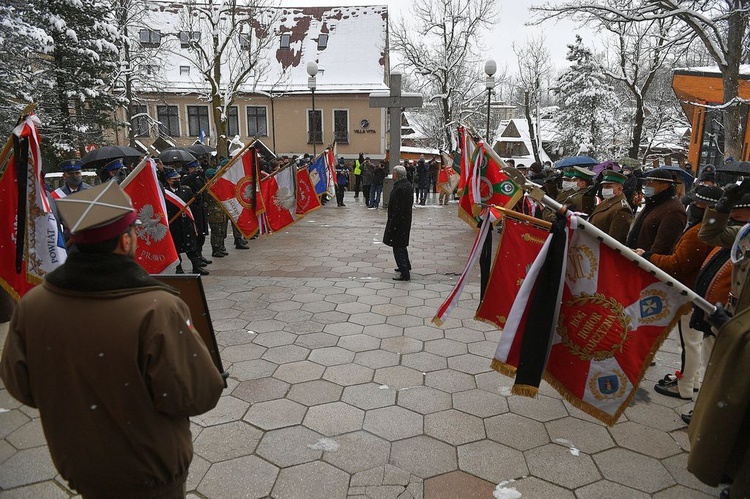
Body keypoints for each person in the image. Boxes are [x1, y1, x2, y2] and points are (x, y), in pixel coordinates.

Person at [0, 182, 224, 498]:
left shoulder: (32, 305)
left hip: (81, 466)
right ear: (125, 241)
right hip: (150, 471)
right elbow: (195, 396)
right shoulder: (157, 308)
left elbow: (20, 385)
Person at [689, 180, 750, 499]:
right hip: (736, 334)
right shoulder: (746, 234)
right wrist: (722, 207)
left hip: (742, 336)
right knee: (732, 415)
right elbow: (708, 235)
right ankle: (731, 472)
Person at [635, 185, 723, 401]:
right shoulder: (708, 228)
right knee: (693, 340)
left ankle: (684, 385)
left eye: (698, 203)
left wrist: (649, 256)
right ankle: (691, 381)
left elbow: (678, 264)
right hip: (696, 291)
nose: (693, 206)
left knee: (688, 341)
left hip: (688, 292)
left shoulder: (700, 232)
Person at [626, 168, 687, 254]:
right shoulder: (653, 202)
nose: (647, 186)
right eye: (646, 182)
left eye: (651, 183)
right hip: (635, 257)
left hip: (645, 264)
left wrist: (647, 257)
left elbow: (663, 247)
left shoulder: (674, 211)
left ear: (664, 186)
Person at [165, 170, 209, 275]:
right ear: (168, 181)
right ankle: (178, 268)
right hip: (174, 224)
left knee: (191, 247)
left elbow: (194, 206)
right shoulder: (165, 193)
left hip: (186, 224)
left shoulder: (186, 190)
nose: (177, 180)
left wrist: (198, 199)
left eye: (178, 178)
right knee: (176, 248)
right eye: (174, 179)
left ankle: (196, 267)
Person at [384, 165, 413, 281]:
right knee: (402, 245)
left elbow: (398, 208)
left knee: (398, 247)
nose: (392, 176)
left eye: (394, 174)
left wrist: (392, 224)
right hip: (404, 221)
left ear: (397, 175)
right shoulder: (407, 185)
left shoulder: (401, 188)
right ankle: (406, 265)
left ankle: (404, 272)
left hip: (399, 222)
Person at [587, 171, 633, 244]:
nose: (604, 189)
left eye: (608, 187)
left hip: (602, 249)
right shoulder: (607, 201)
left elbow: (615, 241)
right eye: (603, 187)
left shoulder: (622, 209)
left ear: (619, 189)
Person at [181, 160, 211, 265]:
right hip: (194, 210)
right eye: (194, 168)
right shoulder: (187, 178)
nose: (196, 170)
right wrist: (194, 174)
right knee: (196, 234)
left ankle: (200, 254)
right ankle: (196, 257)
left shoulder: (199, 178)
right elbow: (184, 182)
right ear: (190, 169)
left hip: (202, 209)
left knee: (202, 234)